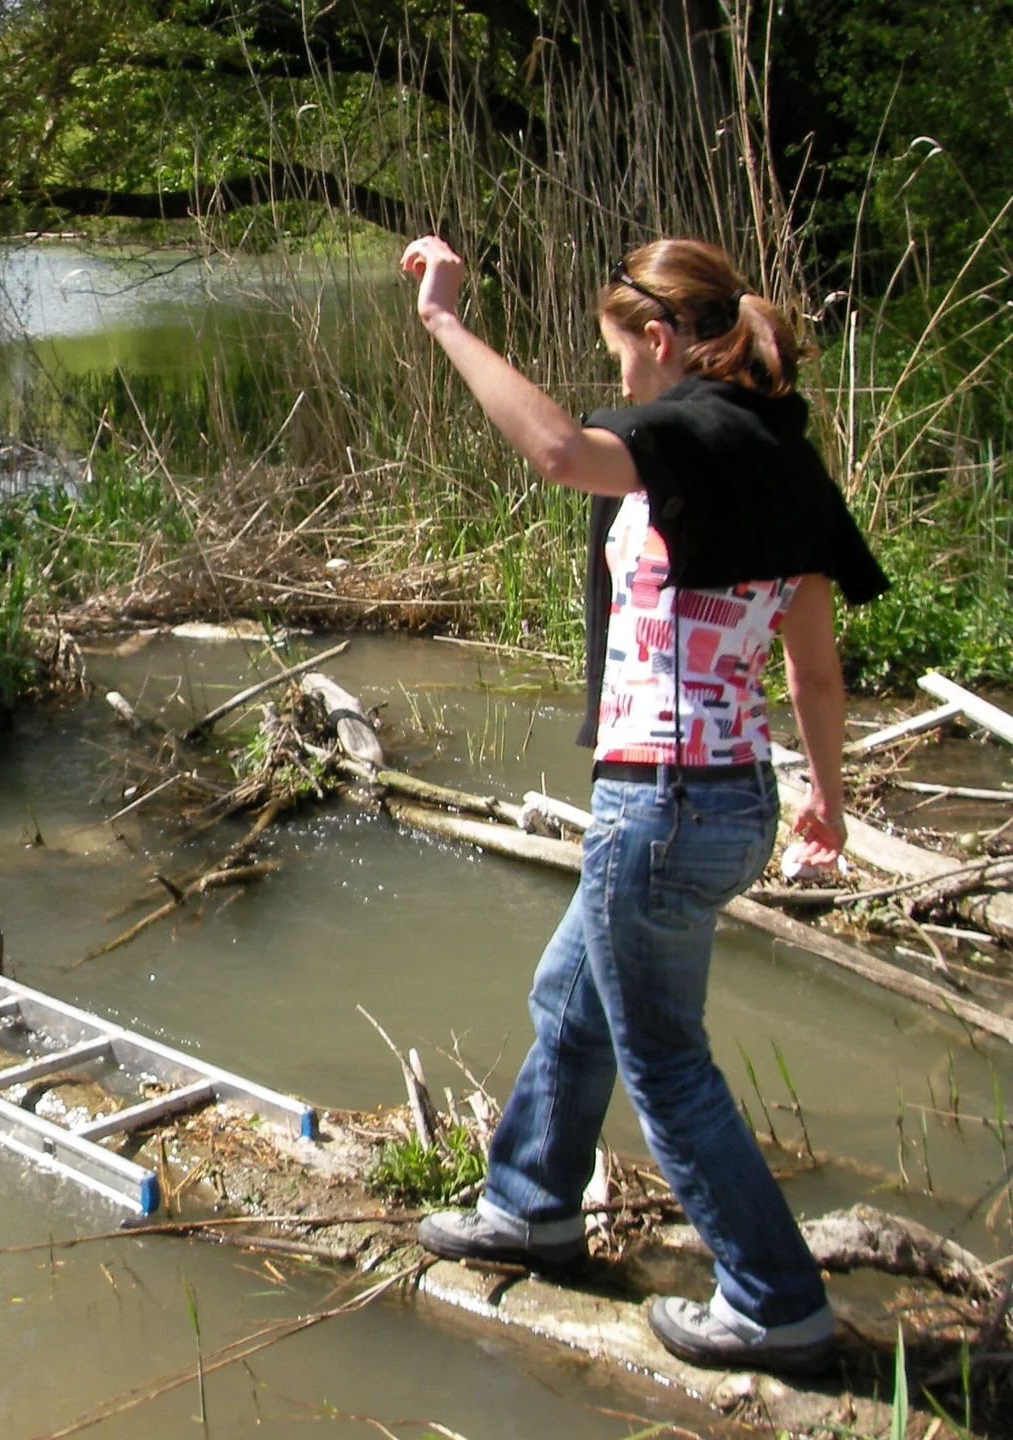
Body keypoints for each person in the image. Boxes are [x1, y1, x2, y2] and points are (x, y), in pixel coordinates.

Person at [401, 234, 889, 1373]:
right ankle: (532, 1205)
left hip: (662, 800)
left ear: (662, 341)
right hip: (734, 796)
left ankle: (775, 1301)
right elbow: (816, 671)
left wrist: (444, 321)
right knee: (570, 998)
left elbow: (557, 450)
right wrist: (827, 798)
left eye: (622, 356)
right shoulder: (786, 454)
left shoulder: (685, 433)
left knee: (665, 1059)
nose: (619, 380)